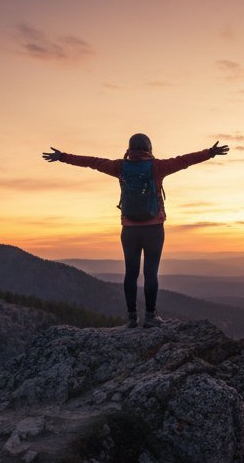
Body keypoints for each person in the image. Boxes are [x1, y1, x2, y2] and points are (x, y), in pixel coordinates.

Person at [43, 135, 229, 328]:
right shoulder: (158, 166)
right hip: (154, 228)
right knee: (151, 273)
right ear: (149, 148)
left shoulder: (120, 167)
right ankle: (150, 317)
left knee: (130, 274)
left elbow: (92, 162)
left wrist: (62, 157)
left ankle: (132, 318)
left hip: (129, 229)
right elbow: (184, 160)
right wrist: (210, 153)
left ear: (130, 148)